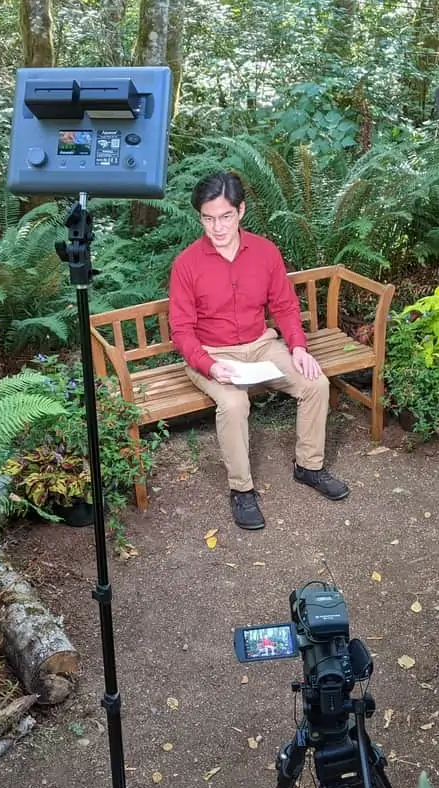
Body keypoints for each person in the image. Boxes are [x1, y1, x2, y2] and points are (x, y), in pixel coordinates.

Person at [167, 171, 349, 531]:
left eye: (225, 216)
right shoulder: (187, 264)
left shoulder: (264, 251)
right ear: (200, 216)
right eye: (208, 218)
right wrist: (209, 365)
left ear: (241, 211)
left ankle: (309, 466)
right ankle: (242, 489)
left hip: (261, 344)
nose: (217, 227)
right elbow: (182, 331)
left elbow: (284, 306)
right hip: (212, 353)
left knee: (316, 384)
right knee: (234, 404)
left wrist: (298, 346)